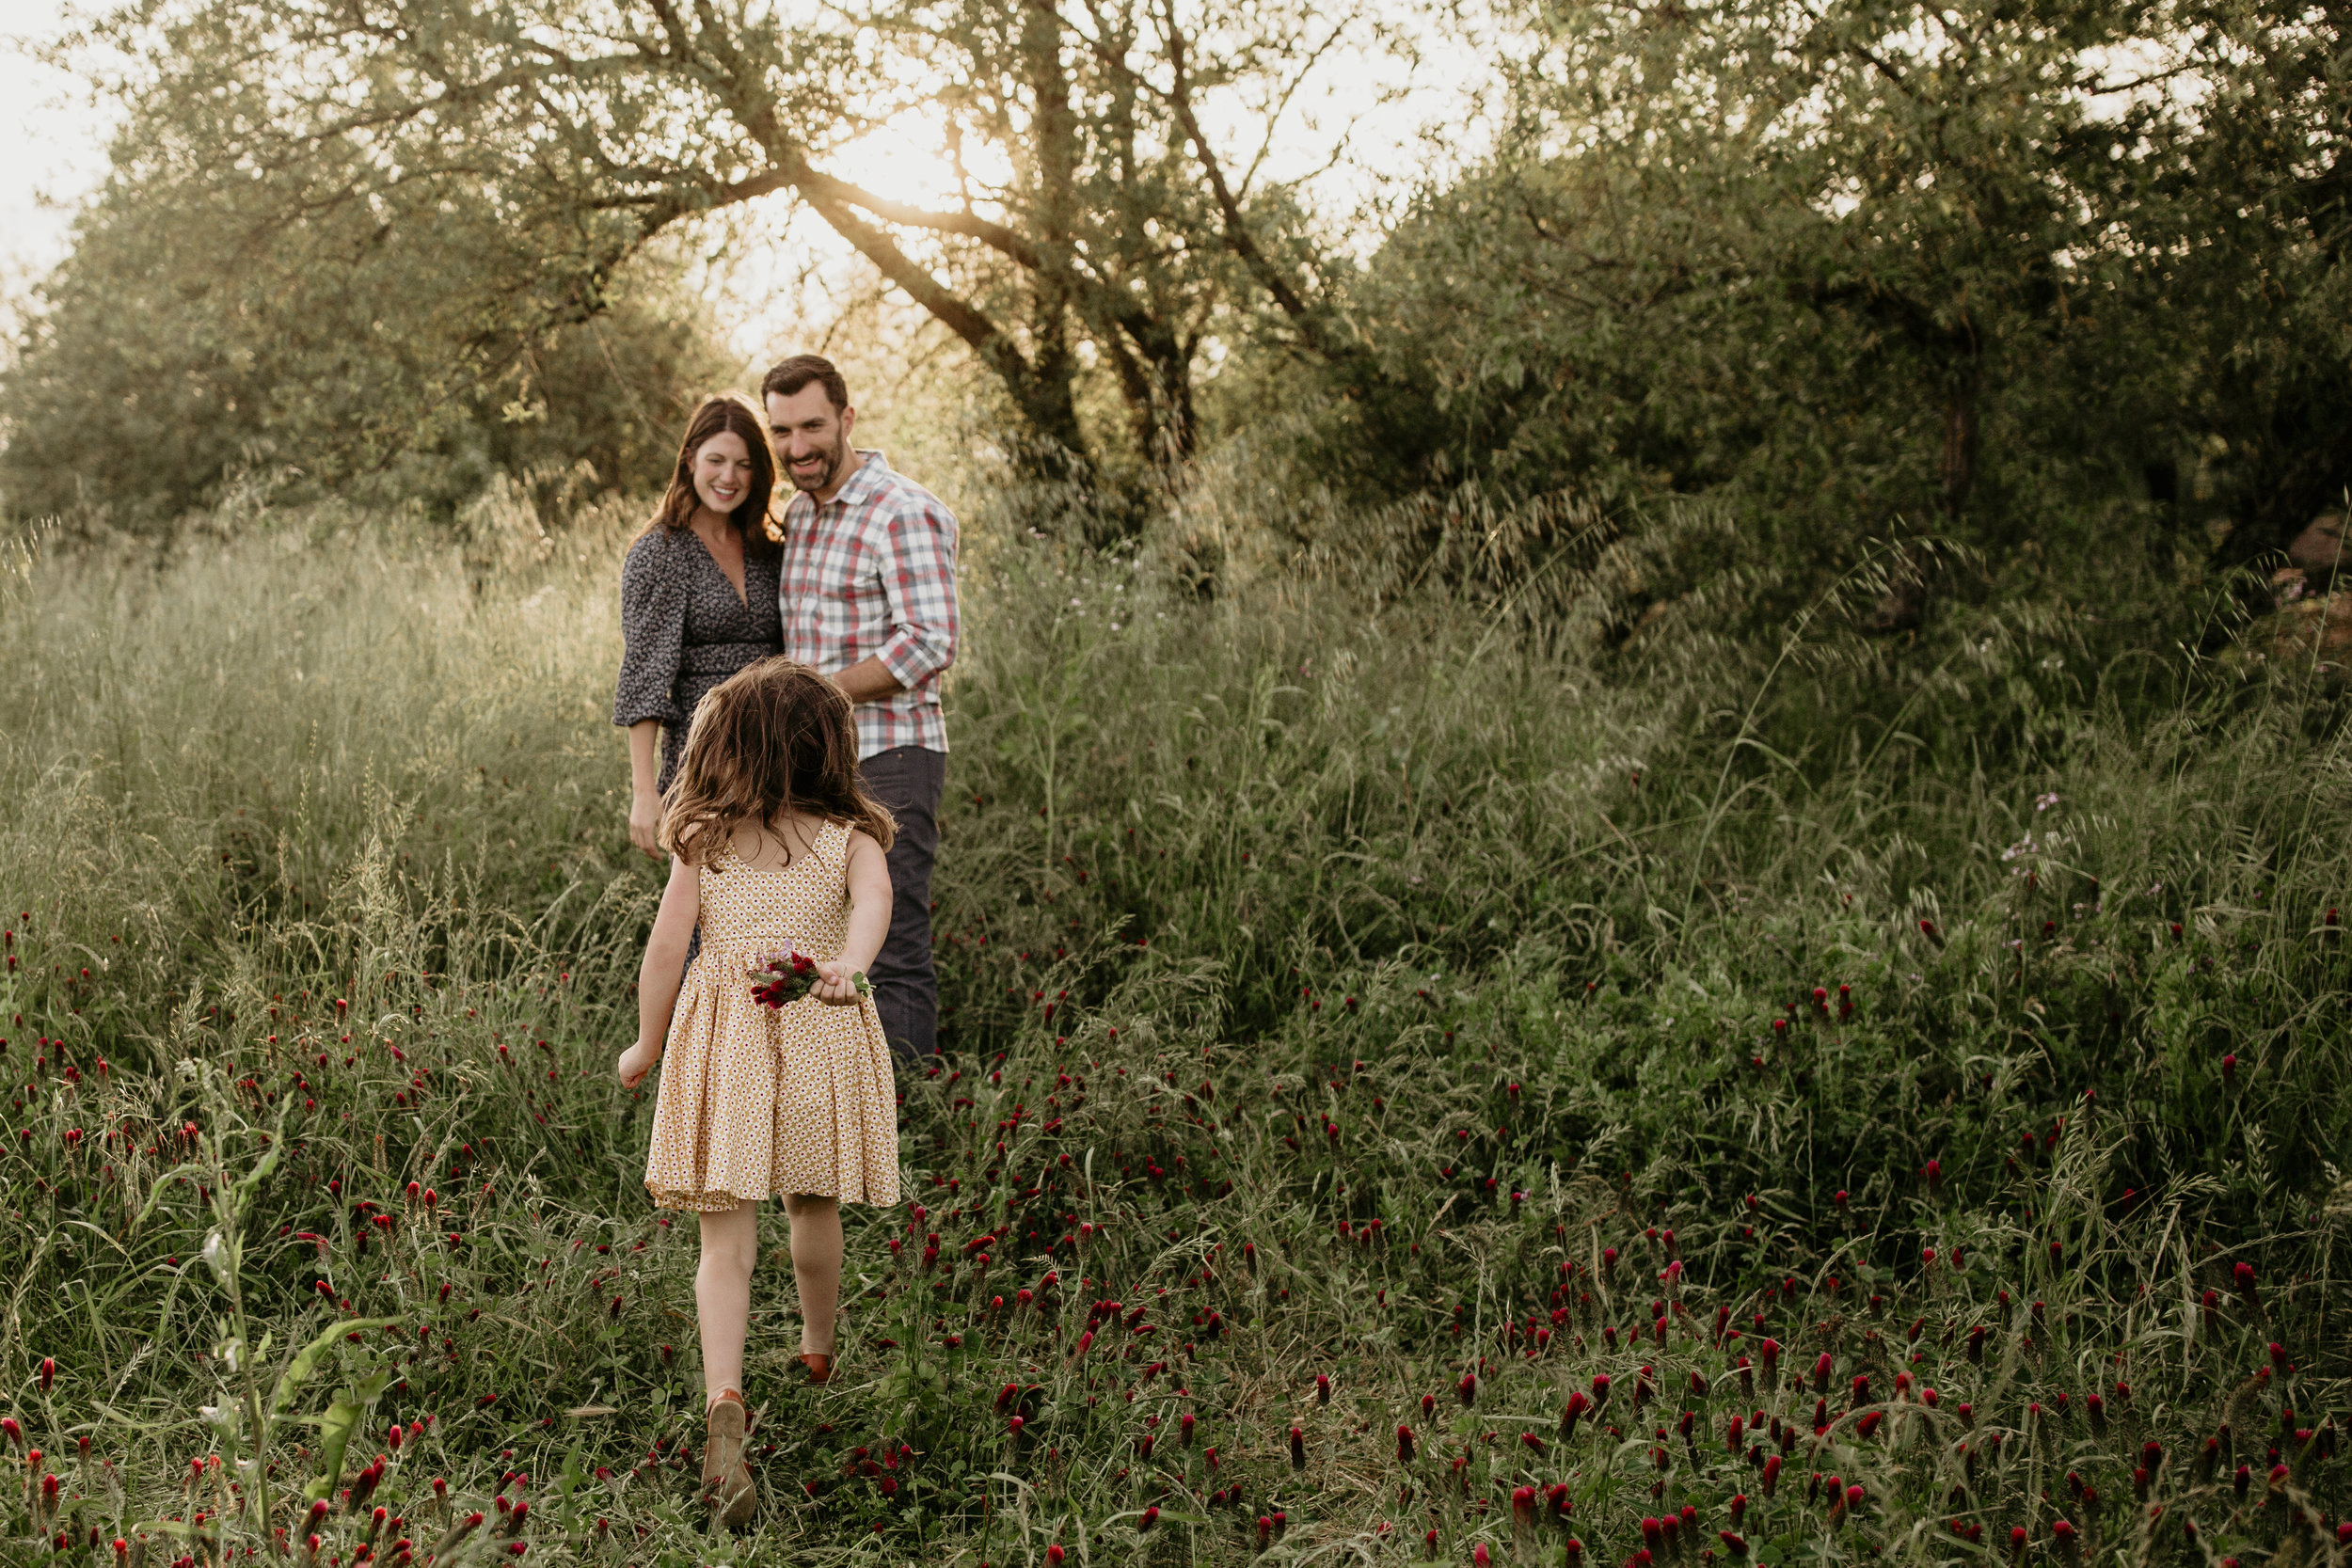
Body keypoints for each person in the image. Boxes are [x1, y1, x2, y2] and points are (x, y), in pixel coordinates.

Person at [616, 657, 901, 1526]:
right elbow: (872, 909)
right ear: (827, 749)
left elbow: (666, 950)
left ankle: (723, 1395)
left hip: (727, 1046)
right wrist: (847, 967)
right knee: (812, 1208)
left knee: (724, 1244)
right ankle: (817, 1351)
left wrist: (647, 1041)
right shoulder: (852, 840)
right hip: (817, 1033)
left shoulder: (702, 842)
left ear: (727, 750)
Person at [763, 354, 959, 1059]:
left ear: (846, 418)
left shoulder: (903, 510)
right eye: (781, 430)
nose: (797, 447)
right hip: (814, 766)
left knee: (894, 938)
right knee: (822, 933)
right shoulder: (803, 515)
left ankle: (909, 1118)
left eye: (812, 425)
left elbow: (930, 641)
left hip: (891, 753)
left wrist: (818, 694)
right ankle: (836, 1104)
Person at [613, 393, 785, 855]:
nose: (729, 477)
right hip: (703, 761)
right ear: (689, 458)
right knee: (709, 915)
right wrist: (645, 794)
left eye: (744, 464)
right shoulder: (659, 553)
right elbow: (645, 678)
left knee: (780, 913)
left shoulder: (768, 548)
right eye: (716, 460)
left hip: (781, 758)